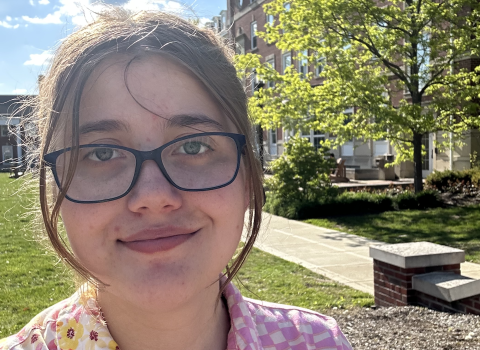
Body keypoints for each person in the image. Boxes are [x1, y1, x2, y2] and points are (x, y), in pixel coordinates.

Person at [0, 9, 352, 350]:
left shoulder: (318, 343)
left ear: (248, 176)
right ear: (55, 186)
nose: (153, 195)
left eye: (194, 146)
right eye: (102, 153)